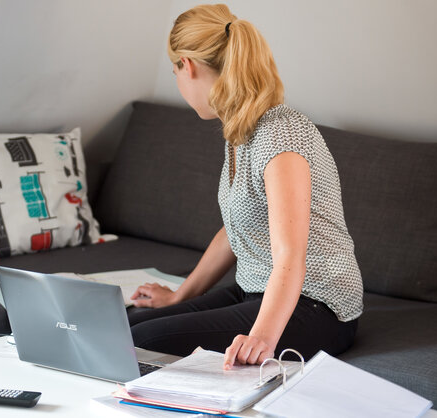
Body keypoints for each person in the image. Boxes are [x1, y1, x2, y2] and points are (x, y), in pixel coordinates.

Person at [128, 4, 363, 370]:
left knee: (140, 341)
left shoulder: (281, 133)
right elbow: (238, 228)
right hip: (257, 288)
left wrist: (263, 338)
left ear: (186, 66)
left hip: (318, 306)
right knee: (124, 325)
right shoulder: (242, 129)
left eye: (175, 70)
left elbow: (291, 256)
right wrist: (178, 297)